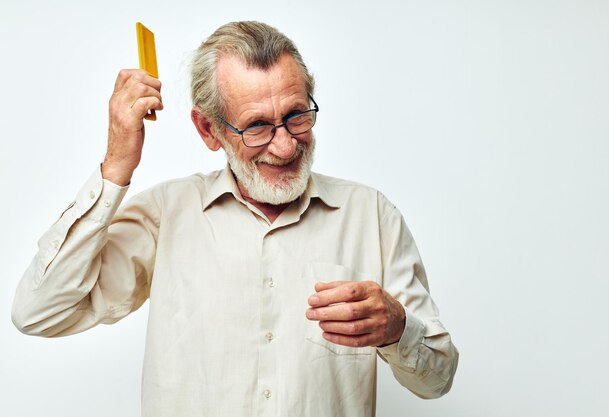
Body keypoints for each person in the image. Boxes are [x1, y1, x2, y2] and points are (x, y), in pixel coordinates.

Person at [12, 21, 458, 416]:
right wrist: (115, 168)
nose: (285, 146)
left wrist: (398, 329)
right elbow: (39, 312)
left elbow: (437, 380)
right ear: (209, 130)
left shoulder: (372, 216)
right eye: (257, 126)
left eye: (296, 116)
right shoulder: (166, 214)